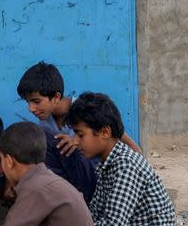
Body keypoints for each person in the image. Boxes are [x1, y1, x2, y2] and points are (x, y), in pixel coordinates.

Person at [66, 92, 175, 226]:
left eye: (80, 135)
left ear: (105, 132)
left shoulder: (126, 164)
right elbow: (95, 213)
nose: (75, 142)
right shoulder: (109, 161)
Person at [16, 61, 141, 202]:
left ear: (56, 97)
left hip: (96, 177)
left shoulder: (86, 109)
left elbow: (127, 142)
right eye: (28, 102)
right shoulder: (45, 120)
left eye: (36, 101)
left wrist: (78, 141)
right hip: (70, 178)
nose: (31, 108)